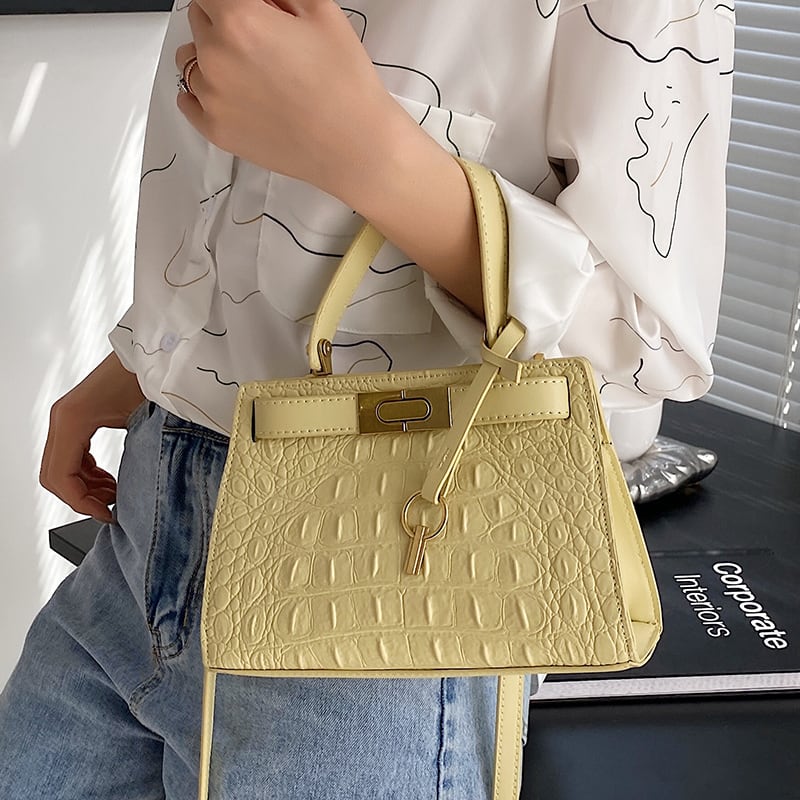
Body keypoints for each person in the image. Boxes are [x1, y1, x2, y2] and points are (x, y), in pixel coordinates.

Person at [0, 0, 735, 797]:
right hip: (147, 513)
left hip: (378, 577)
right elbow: (248, 220)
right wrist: (138, 365)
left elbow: (648, 340)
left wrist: (368, 149)